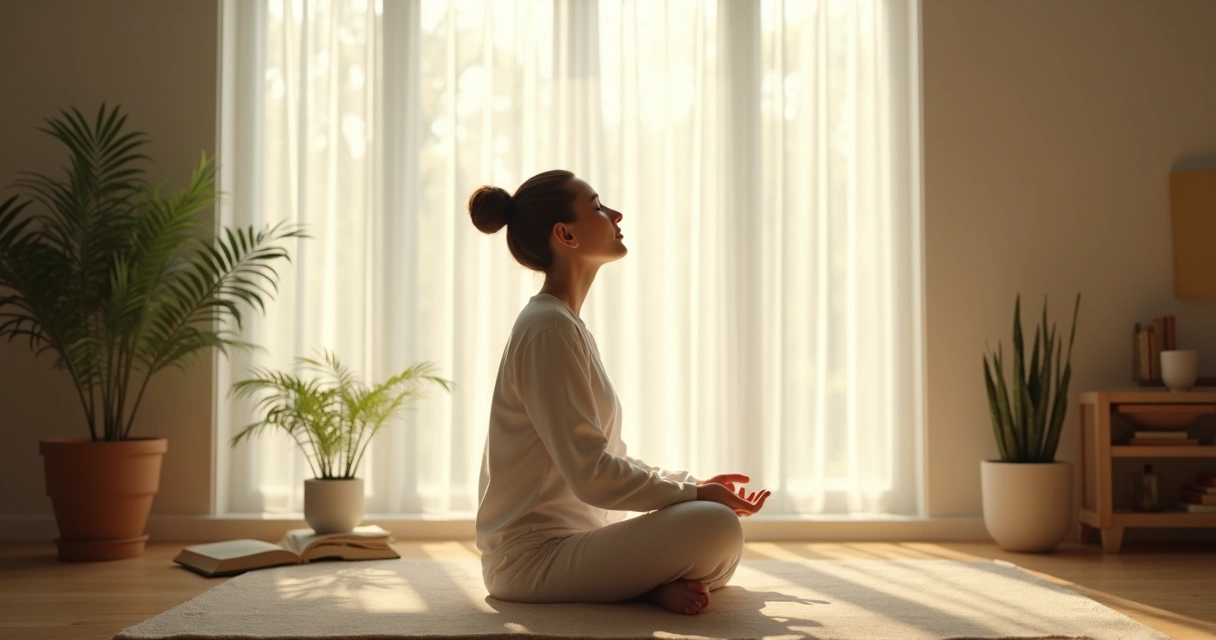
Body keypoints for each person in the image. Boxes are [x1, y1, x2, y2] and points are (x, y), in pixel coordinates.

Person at [468, 169, 772, 615]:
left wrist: (695, 484)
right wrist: (694, 497)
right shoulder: (547, 329)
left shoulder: (565, 325)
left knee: (719, 529)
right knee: (713, 526)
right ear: (565, 234)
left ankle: (643, 584)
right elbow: (593, 475)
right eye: (597, 207)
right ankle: (644, 583)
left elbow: (612, 457)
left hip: (581, 542)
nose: (616, 214)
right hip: (531, 560)